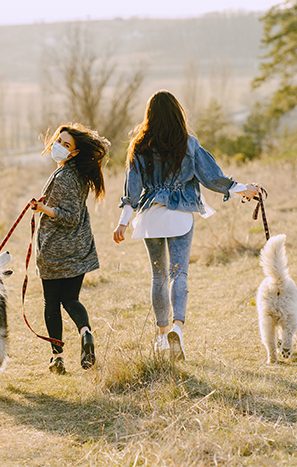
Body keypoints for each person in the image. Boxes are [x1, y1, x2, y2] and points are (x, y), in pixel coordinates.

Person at [113, 90, 258, 360]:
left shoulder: (138, 147)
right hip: (180, 215)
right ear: (178, 114)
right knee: (178, 274)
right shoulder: (189, 144)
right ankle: (177, 329)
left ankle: (161, 337)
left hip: (151, 217)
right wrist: (241, 189)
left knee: (158, 277)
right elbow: (212, 177)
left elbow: (131, 191)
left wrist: (123, 222)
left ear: (149, 116)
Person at [31, 123, 109, 374]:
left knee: (51, 302)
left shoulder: (65, 176)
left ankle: (58, 357)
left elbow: (69, 216)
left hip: (57, 248)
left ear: (75, 152)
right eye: (59, 142)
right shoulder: (78, 173)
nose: (59, 147)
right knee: (71, 299)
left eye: (66, 145)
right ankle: (85, 332)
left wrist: (42, 209)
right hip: (78, 247)